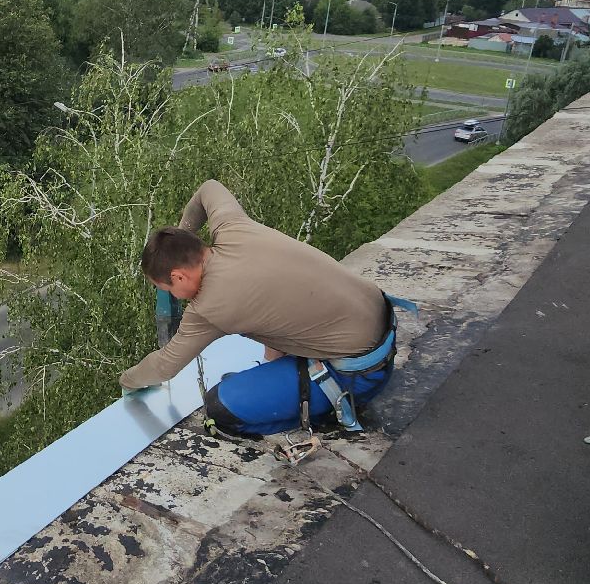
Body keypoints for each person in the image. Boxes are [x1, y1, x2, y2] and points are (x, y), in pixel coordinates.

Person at [121, 179, 407, 438]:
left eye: (168, 288)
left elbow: (165, 365)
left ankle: (325, 413)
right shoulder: (232, 227)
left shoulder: (206, 308)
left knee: (220, 408)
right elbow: (209, 188)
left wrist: (128, 381)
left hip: (360, 374)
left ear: (178, 276)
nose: (174, 296)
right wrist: (180, 238)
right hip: (383, 325)